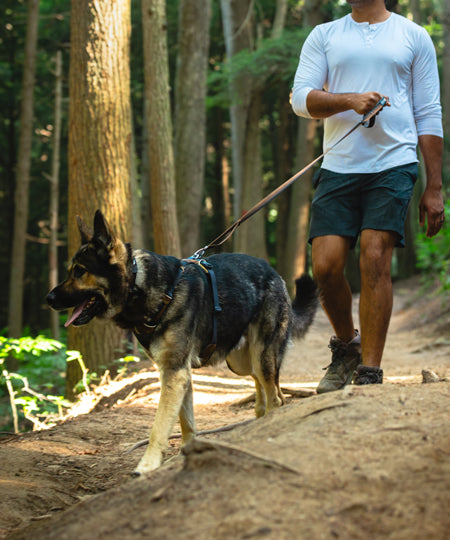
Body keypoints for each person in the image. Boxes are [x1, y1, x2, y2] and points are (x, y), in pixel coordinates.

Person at [291, 0, 445, 392]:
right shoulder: (324, 35)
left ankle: (370, 371)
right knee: (325, 267)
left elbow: (428, 111)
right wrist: (348, 99)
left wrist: (433, 186)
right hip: (338, 167)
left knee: (375, 256)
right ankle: (347, 348)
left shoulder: (413, 36)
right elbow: (300, 100)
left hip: (394, 164)